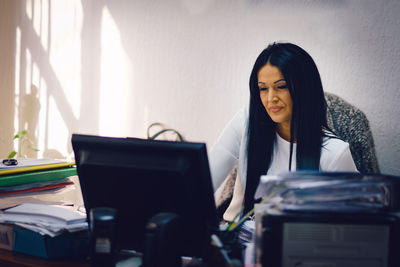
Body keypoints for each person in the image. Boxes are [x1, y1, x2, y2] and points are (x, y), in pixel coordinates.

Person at [209, 42, 358, 221]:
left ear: (305, 88)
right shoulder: (247, 121)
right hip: (236, 239)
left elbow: (354, 228)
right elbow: (204, 182)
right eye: (263, 88)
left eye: (281, 86)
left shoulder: (334, 154)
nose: (271, 98)